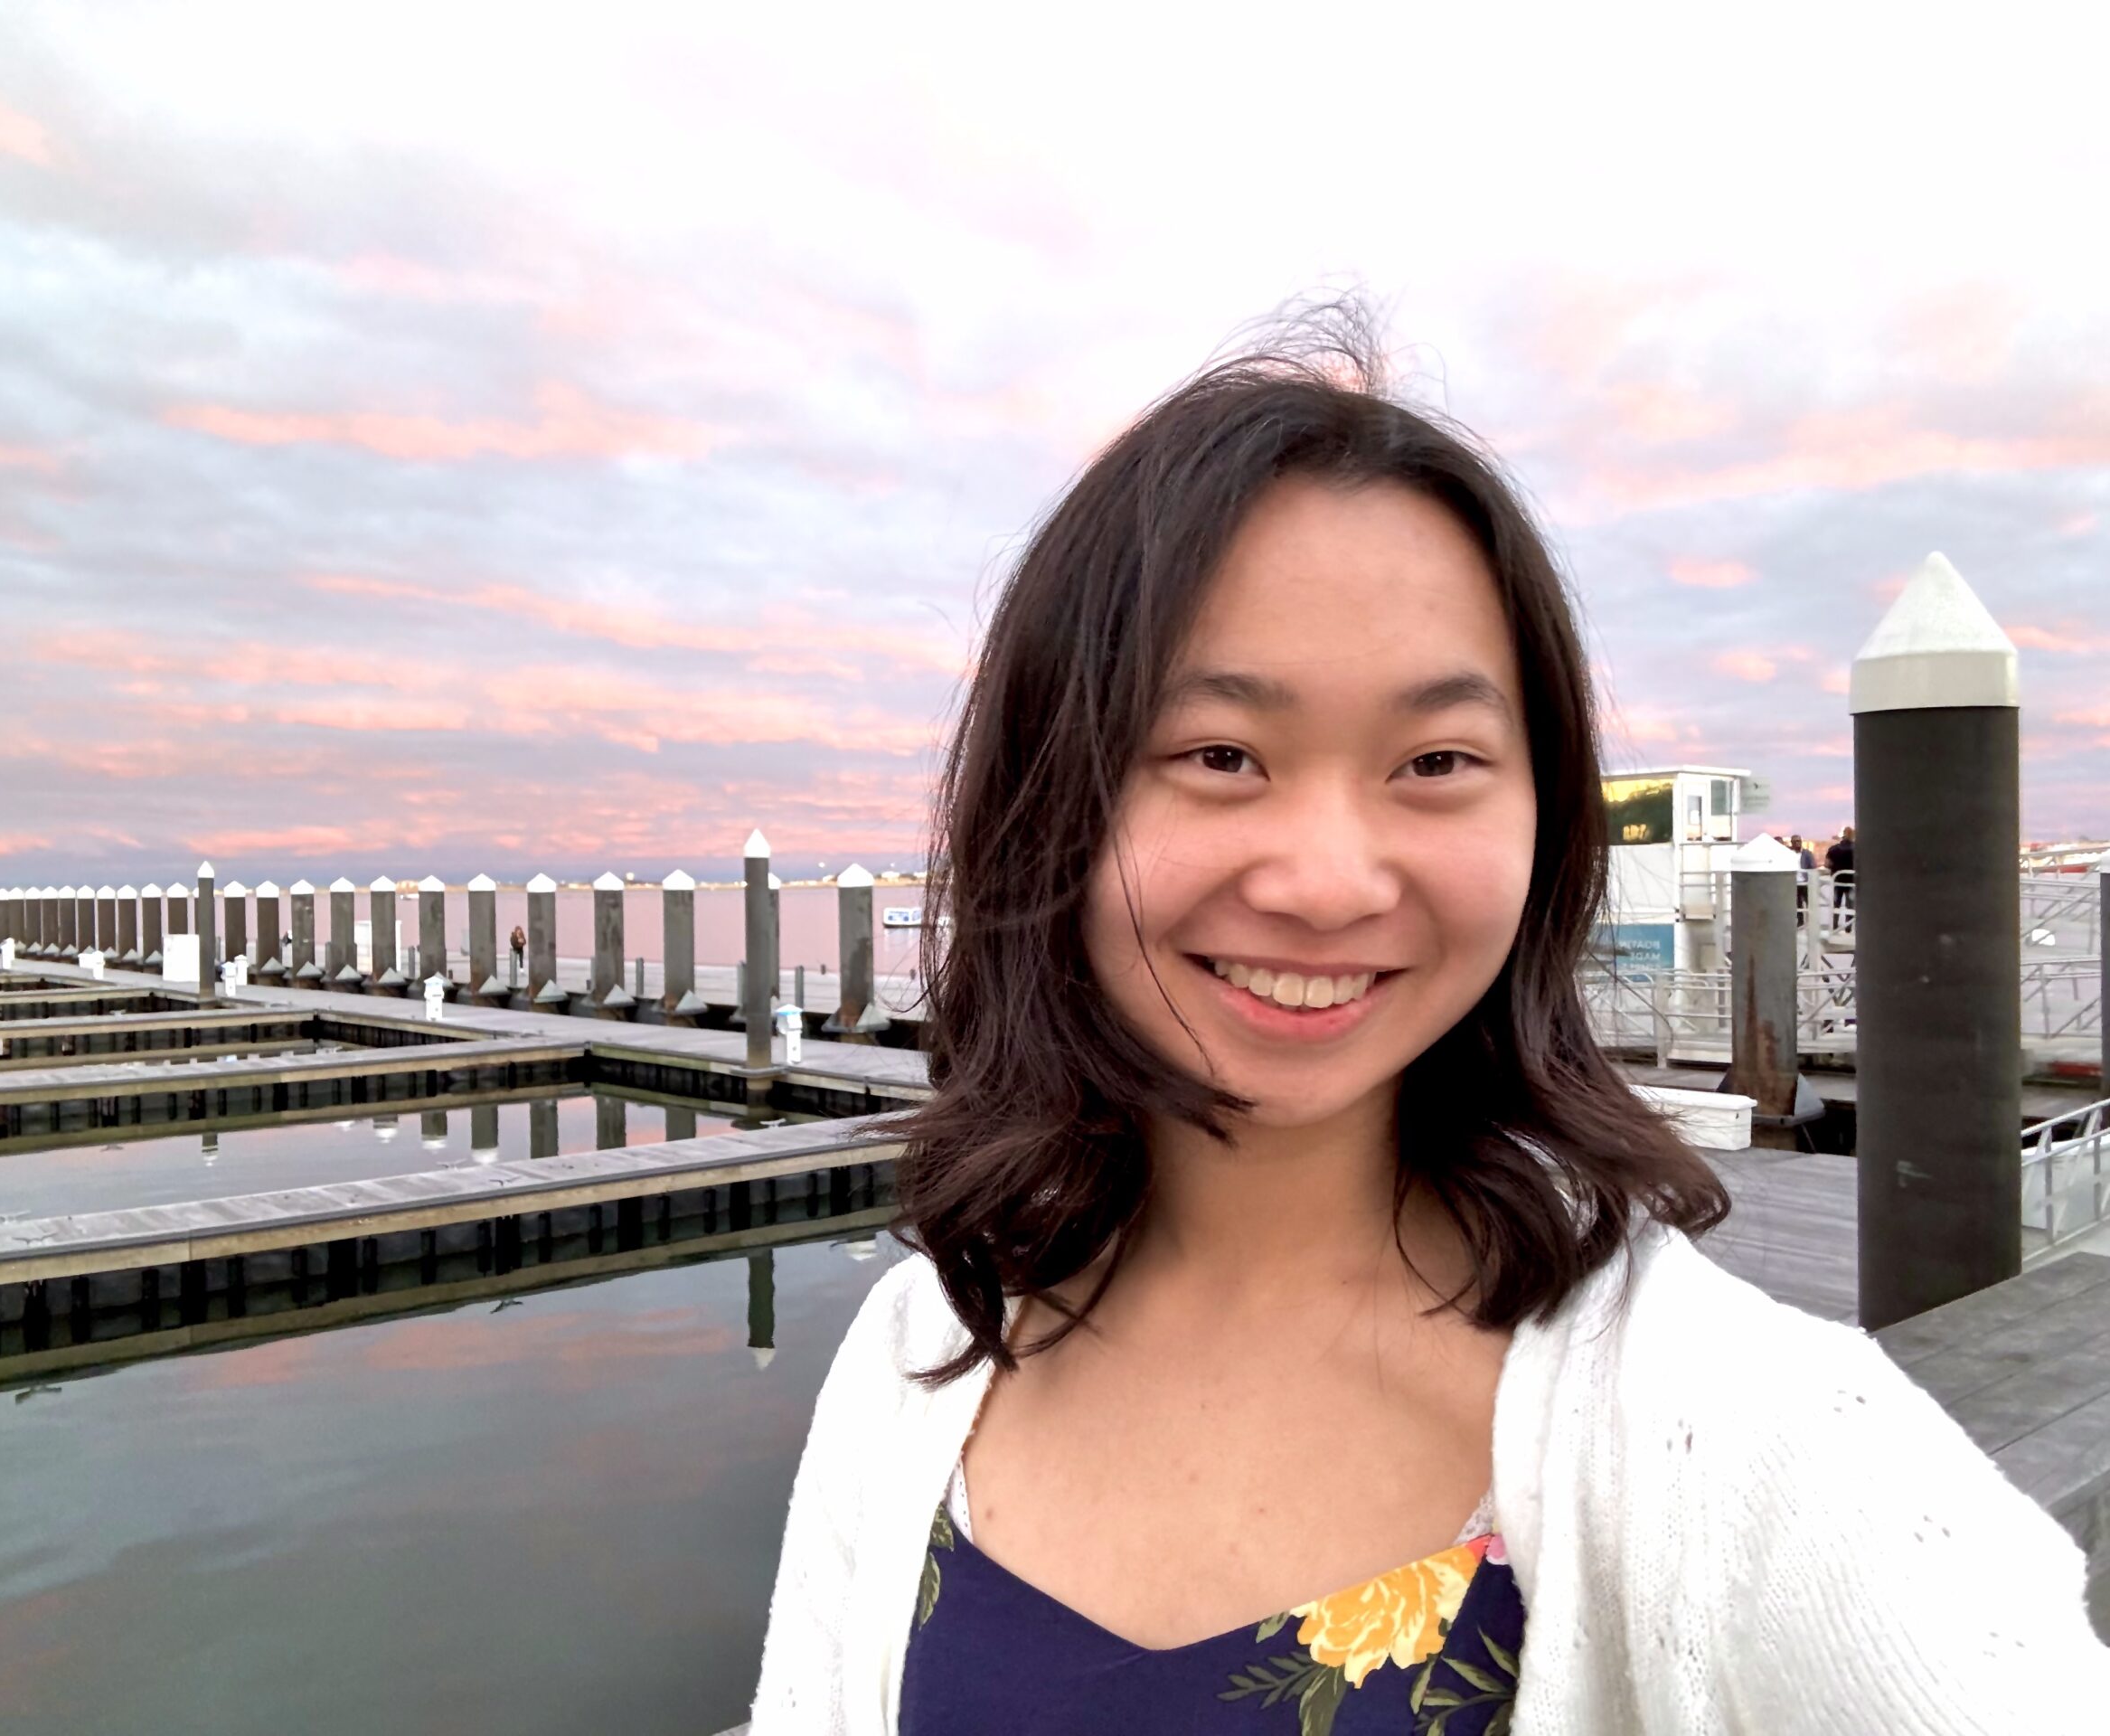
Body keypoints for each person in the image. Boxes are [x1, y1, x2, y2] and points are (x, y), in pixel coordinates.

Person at [749, 315, 2108, 1733]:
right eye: (1221, 754)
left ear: (1544, 815)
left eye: (1437, 760)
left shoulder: (1748, 1437)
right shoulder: (927, 1349)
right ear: (1052, 799)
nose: (1331, 883)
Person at [1825, 825, 1856, 929]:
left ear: (1843, 836)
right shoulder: (1857, 849)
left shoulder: (1833, 849)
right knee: (1850, 905)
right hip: (1852, 881)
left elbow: (1827, 864)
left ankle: (1835, 926)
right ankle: (1848, 926)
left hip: (1837, 880)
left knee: (1836, 904)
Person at [1788, 832, 1814, 920]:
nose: (1797, 843)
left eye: (1799, 841)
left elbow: (1812, 866)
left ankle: (1812, 920)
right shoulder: (1788, 853)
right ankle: (1800, 921)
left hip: (1805, 882)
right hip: (1793, 882)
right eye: (1795, 841)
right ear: (1791, 843)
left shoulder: (1807, 853)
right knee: (1797, 904)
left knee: (1809, 902)